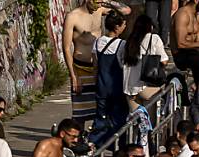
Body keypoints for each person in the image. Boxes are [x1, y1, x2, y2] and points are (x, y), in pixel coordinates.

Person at [62, 0, 130, 122]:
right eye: (96, 2)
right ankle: (77, 138)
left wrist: (107, 2)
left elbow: (126, 10)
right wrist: (73, 75)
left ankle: (98, 137)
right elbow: (66, 48)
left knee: (101, 109)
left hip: (99, 68)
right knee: (80, 113)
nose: (98, 6)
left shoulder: (99, 10)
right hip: (81, 68)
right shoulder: (72, 17)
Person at [91, 10, 130, 145]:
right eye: (123, 25)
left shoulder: (98, 42)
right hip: (116, 88)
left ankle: (94, 145)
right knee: (119, 119)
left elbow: (95, 67)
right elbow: (125, 67)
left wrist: (96, 83)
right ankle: (116, 147)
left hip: (102, 87)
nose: (125, 27)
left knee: (100, 118)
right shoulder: (122, 45)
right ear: (117, 27)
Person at [123, 15, 169, 108]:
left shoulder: (129, 40)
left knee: (136, 120)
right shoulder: (154, 38)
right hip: (146, 87)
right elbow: (164, 61)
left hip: (129, 88)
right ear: (150, 26)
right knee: (170, 84)